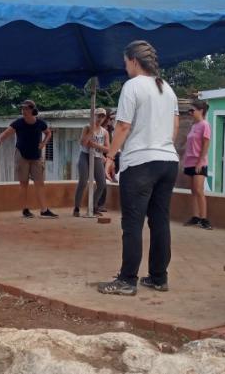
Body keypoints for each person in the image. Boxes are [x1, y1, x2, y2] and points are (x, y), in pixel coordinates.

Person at [97, 40, 179, 296]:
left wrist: (110, 158)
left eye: (125, 62)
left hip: (141, 163)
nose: (125, 67)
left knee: (132, 223)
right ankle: (158, 277)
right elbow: (175, 127)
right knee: (160, 221)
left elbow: (122, 127)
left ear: (133, 60)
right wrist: (160, 144)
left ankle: (127, 280)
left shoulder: (132, 86)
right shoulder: (168, 89)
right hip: (168, 161)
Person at [0, 100, 57, 219]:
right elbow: (7, 133)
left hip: (36, 156)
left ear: (33, 110)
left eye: (26, 109)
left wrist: (43, 144)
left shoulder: (40, 123)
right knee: (24, 184)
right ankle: (25, 210)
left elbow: (48, 133)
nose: (24, 111)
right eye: (22, 109)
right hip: (21, 155)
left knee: (40, 183)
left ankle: (44, 210)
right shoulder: (18, 123)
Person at [72, 107, 110, 216]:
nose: (100, 118)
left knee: (102, 183)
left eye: (102, 116)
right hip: (85, 155)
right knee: (83, 181)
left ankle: (93, 206)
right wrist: (92, 131)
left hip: (97, 156)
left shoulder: (105, 132)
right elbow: (83, 143)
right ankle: (77, 207)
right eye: (98, 116)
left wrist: (96, 145)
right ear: (94, 116)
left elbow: (108, 149)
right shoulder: (87, 127)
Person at [182, 100, 212, 229]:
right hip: (189, 161)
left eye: (192, 110)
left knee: (199, 190)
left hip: (199, 162)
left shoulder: (205, 125)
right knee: (193, 190)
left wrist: (200, 161)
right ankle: (195, 217)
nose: (190, 113)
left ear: (200, 111)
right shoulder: (194, 125)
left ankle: (204, 219)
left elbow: (206, 143)